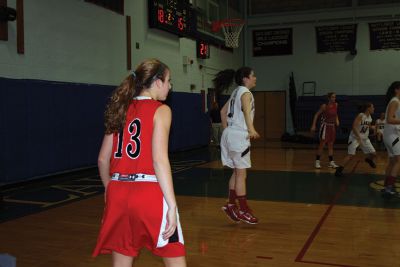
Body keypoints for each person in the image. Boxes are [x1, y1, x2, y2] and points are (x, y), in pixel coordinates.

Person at [92, 59, 187, 267]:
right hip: (148, 192)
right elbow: (159, 160)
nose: (170, 86)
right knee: (175, 258)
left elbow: (101, 159)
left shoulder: (120, 108)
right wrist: (172, 205)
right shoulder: (161, 110)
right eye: (169, 81)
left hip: (118, 191)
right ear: (157, 82)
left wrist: (110, 188)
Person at [213, 67, 260, 225]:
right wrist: (251, 129)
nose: (255, 78)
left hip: (229, 134)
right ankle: (243, 209)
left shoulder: (235, 92)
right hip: (238, 135)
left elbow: (222, 112)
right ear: (245, 78)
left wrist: (228, 132)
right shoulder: (246, 93)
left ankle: (231, 205)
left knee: (236, 172)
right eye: (253, 76)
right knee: (242, 175)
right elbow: (246, 111)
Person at [335, 102, 377, 177]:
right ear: (368, 108)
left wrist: (372, 127)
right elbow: (354, 126)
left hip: (364, 138)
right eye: (373, 107)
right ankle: (338, 170)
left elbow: (367, 125)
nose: (374, 108)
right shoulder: (361, 115)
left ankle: (369, 160)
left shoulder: (370, 117)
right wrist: (358, 137)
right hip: (355, 138)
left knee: (374, 154)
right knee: (351, 155)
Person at [310, 92, 340, 169]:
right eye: (333, 97)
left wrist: (337, 120)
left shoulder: (336, 105)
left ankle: (331, 162)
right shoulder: (324, 106)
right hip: (325, 126)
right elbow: (316, 115)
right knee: (322, 144)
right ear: (329, 98)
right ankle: (317, 161)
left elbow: (336, 114)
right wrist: (313, 125)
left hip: (332, 127)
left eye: (335, 97)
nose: (334, 98)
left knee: (331, 144)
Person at [382, 81, 400, 197]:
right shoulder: (395, 101)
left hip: (390, 135)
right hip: (392, 135)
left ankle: (387, 185)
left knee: (393, 161)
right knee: (399, 161)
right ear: (397, 89)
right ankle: (389, 187)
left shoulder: (395, 101)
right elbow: (389, 119)